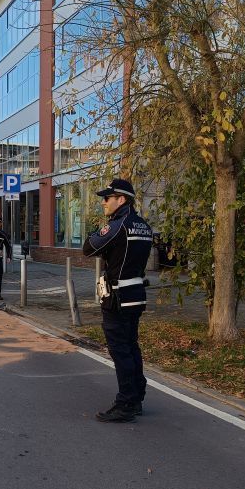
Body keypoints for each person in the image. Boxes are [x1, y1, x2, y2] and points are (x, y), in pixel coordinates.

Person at [83, 178, 153, 423]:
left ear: (121, 199)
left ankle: (125, 403)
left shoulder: (119, 225)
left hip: (117, 298)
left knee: (120, 351)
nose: (103, 202)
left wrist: (101, 231)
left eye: (107, 198)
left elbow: (89, 247)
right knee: (131, 347)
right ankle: (137, 397)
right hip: (135, 295)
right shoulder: (143, 226)